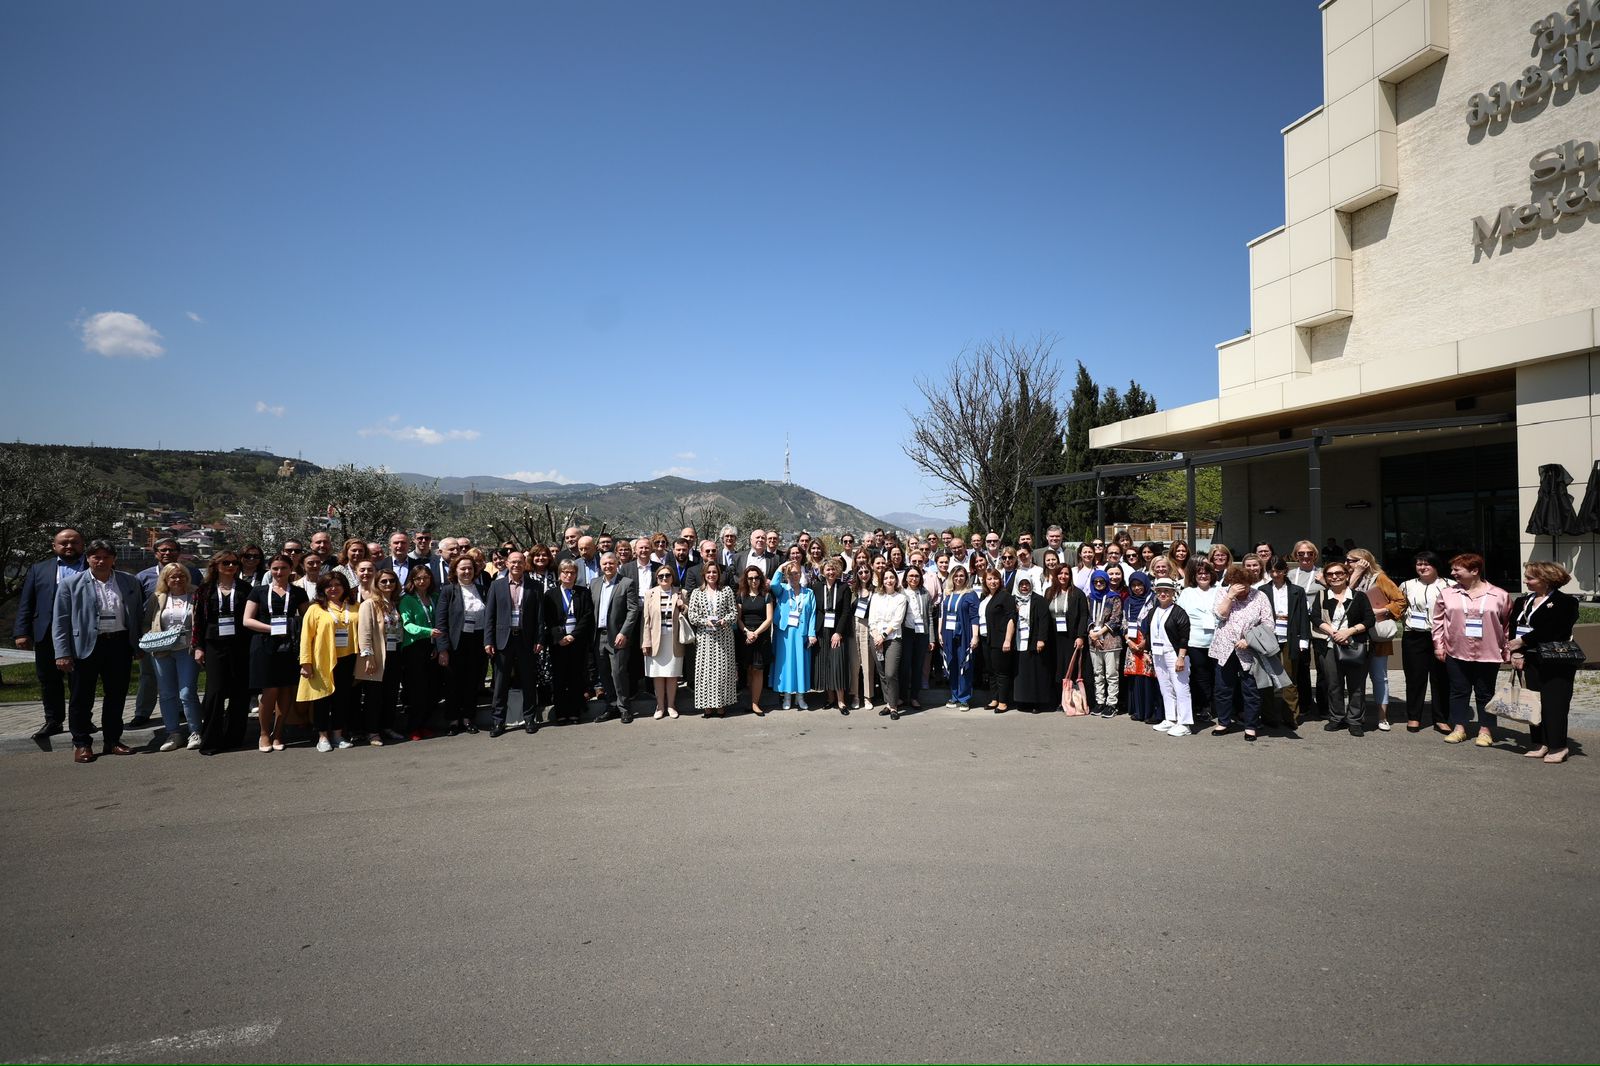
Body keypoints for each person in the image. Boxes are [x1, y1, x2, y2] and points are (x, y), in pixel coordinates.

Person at [53, 539, 145, 763]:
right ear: (88, 559)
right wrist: (62, 653)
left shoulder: (129, 581)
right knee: (81, 697)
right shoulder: (70, 584)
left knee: (116, 695)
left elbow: (137, 616)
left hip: (119, 644)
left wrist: (138, 644)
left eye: (106, 557)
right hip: (85, 646)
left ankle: (113, 740)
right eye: (96, 557)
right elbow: (60, 621)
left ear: (114, 559)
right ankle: (82, 743)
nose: (101, 561)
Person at [1432, 552, 1512, 747]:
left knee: (1485, 692)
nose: (1452, 573)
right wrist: (1438, 646)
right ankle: (1459, 728)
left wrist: (1508, 649)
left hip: (1489, 651)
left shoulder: (1499, 595)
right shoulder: (1448, 593)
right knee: (1458, 690)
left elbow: (1508, 624)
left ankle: (1485, 731)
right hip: (1456, 650)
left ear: (1474, 570)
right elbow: (1437, 622)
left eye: (1457, 570)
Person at [14, 527, 86, 743]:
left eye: (74, 542)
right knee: (49, 679)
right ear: (54, 546)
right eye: (64, 543)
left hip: (81, 633)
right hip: (46, 633)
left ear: (82, 545)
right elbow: (27, 602)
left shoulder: (92, 566)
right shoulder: (39, 569)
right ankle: (53, 720)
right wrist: (22, 632)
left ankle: (82, 719)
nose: (69, 546)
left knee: (81, 680)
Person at [1510, 561, 1580, 764]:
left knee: (1554, 703)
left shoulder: (1565, 602)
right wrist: (1517, 653)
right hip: (1531, 657)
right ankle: (1540, 743)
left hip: (1556, 659)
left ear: (1547, 579)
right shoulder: (1523, 601)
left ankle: (1558, 746)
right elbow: (1515, 627)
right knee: (1534, 701)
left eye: (1530, 577)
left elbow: (1557, 629)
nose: (1525, 581)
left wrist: (1523, 641)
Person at [243, 552, 308, 752]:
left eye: (284, 568)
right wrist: (273, 629)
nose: (279, 572)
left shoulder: (298, 593)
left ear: (291, 570)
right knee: (269, 691)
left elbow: (307, 619)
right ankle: (264, 733)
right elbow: (247, 620)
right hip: (263, 645)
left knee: (286, 690)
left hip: (289, 646)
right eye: (275, 569)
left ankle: (278, 733)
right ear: (270, 570)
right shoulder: (259, 591)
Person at [191, 551, 251, 755]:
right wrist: (198, 647)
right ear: (216, 565)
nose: (231, 566)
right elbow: (197, 621)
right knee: (215, 693)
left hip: (241, 645)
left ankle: (234, 738)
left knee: (240, 693)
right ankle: (210, 740)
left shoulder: (244, 588)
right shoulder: (205, 590)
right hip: (214, 645)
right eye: (226, 562)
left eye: (235, 563)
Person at [1310, 560, 1374, 737]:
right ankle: (1337, 717)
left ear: (1346, 575)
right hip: (1330, 646)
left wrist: (1349, 632)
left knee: (1356, 686)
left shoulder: (1359, 596)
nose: (1335, 577)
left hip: (1356, 645)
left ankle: (1354, 721)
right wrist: (1334, 633)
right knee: (1334, 684)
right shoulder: (1322, 595)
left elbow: (1369, 620)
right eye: (1330, 574)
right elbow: (1315, 617)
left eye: (1339, 573)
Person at [1346, 547, 1406, 731]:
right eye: (1347, 560)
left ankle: (1382, 717)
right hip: (1356, 634)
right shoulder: (1347, 577)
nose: (1348, 563)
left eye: (1352, 560)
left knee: (1380, 677)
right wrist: (1356, 573)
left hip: (1378, 635)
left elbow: (1400, 601)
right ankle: (1357, 716)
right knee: (1356, 678)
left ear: (1364, 561)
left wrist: (1380, 611)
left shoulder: (1379, 578)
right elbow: (1344, 597)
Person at [142, 563, 201, 752]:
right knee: (167, 693)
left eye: (181, 576)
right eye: (173, 577)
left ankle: (195, 731)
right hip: (162, 649)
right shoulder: (157, 597)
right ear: (165, 580)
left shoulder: (195, 594)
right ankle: (173, 732)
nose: (177, 580)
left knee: (187, 692)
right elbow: (148, 621)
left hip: (187, 649)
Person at [1210, 563, 1271, 741]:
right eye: (1238, 584)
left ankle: (1250, 725)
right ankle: (1223, 721)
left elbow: (1268, 623)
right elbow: (1220, 615)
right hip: (1225, 647)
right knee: (1223, 687)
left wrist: (1249, 640)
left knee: (1250, 688)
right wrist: (1230, 596)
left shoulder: (1260, 596)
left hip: (1250, 649)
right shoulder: (1223, 593)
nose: (1242, 588)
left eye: (1245, 584)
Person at [298, 571, 358, 752]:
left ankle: (338, 735)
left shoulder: (355, 606)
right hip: (322, 660)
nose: (333, 588)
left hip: (348, 659)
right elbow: (306, 637)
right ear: (322, 589)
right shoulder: (315, 608)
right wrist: (305, 663)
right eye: (329, 585)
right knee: (322, 700)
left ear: (344, 587)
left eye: (338, 585)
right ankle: (322, 736)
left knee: (342, 699)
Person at [485, 551, 542, 737]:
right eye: (513, 562)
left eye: (520, 562)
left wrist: (539, 639)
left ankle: (530, 719)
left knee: (528, 680)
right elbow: (490, 616)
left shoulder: (535, 586)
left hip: (526, 639)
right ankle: (498, 722)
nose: (516, 565)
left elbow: (540, 618)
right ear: (507, 564)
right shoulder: (496, 585)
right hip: (503, 640)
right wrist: (488, 640)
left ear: (525, 563)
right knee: (500, 683)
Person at [1399, 551, 1454, 733]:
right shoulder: (1406, 585)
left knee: (1441, 678)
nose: (1422, 567)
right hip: (1414, 636)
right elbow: (1399, 608)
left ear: (1436, 565)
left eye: (1426, 564)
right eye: (1418, 564)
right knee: (1415, 678)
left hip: (1442, 637)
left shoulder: (1450, 586)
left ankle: (1441, 718)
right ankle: (1414, 717)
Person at [436, 556, 488, 736]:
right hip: (455, 642)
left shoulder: (482, 589)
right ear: (455, 571)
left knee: (472, 682)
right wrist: (442, 648)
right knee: (453, 683)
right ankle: (453, 720)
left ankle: (468, 718)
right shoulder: (448, 590)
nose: (467, 572)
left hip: (477, 641)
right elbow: (441, 621)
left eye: (470, 569)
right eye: (463, 569)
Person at [1258, 556, 1310, 730]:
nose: (1275, 574)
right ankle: (1269, 716)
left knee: (1289, 677)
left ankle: (1291, 716)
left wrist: (1304, 639)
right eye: (1271, 571)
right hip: (1269, 637)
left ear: (1285, 571)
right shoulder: (1263, 590)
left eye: (1278, 571)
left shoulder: (1297, 591)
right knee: (1268, 678)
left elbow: (1303, 615)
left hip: (1290, 636)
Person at [354, 569, 404, 745]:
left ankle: (387, 726)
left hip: (395, 653)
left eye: (391, 581)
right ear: (377, 584)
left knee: (391, 693)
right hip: (377, 655)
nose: (388, 584)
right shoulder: (369, 604)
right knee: (374, 695)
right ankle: (372, 731)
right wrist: (368, 656)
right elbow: (364, 632)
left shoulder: (395, 603)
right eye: (384, 581)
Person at [544, 559, 596, 725]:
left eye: (572, 572)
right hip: (558, 643)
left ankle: (574, 711)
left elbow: (587, 616)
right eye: (565, 572)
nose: (568, 575)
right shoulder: (550, 595)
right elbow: (549, 619)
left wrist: (573, 635)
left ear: (576, 575)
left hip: (577, 641)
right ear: (559, 574)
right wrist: (560, 638)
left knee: (576, 676)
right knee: (559, 677)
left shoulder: (582, 592)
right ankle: (561, 712)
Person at [590, 552, 639, 724]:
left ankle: (624, 708)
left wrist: (624, 632)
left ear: (617, 563)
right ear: (600, 566)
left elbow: (633, 610)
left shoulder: (626, 583)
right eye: (604, 564)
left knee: (618, 673)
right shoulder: (594, 584)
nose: (608, 566)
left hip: (617, 636)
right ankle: (610, 707)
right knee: (604, 674)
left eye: (611, 563)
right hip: (598, 636)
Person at [687, 561, 738, 717]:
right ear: (704, 574)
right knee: (705, 672)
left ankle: (721, 705)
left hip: (724, 636)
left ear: (719, 574)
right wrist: (705, 621)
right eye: (708, 572)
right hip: (705, 637)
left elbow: (734, 612)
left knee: (723, 672)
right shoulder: (697, 592)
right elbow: (692, 615)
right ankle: (707, 706)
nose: (711, 575)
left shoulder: (727, 591)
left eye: (714, 572)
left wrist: (724, 620)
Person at [398, 566, 442, 739]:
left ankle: (424, 724)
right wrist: (427, 631)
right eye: (418, 579)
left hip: (432, 645)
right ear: (412, 580)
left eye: (425, 578)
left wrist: (437, 644)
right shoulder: (407, 600)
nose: (422, 582)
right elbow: (407, 625)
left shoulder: (435, 597)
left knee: (432, 688)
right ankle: (413, 727)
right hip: (414, 647)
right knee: (417, 689)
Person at [640, 564, 690, 719]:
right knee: (658, 675)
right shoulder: (650, 593)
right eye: (660, 576)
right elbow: (646, 620)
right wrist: (645, 641)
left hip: (674, 639)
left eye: (667, 575)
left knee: (672, 674)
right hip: (655, 639)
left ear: (672, 577)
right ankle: (660, 706)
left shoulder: (681, 592)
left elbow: (688, 614)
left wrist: (683, 606)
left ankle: (671, 705)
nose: (664, 578)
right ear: (657, 578)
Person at [1145, 578, 1193, 736]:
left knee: (1181, 688)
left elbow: (1184, 638)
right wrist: (1147, 653)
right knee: (1165, 688)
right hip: (1158, 654)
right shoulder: (1153, 611)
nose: (1163, 594)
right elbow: (1148, 634)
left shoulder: (1179, 612)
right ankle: (1170, 719)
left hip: (1175, 654)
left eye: (1167, 591)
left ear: (1173, 593)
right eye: (1159, 591)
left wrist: (1181, 657)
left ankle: (1184, 723)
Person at [768, 562, 816, 710]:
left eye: (796, 573)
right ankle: (787, 696)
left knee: (801, 664)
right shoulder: (782, 590)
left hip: (801, 633)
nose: (794, 576)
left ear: (800, 575)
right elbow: (774, 583)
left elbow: (813, 613)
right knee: (786, 664)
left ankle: (800, 696)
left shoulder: (808, 593)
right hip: (785, 633)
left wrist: (811, 633)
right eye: (791, 574)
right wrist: (781, 567)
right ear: (786, 576)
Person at [810, 560, 854, 714]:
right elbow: (813, 610)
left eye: (833, 570)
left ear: (838, 571)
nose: (830, 572)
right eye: (828, 569)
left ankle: (841, 701)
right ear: (823, 571)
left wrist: (839, 632)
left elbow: (846, 612)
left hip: (837, 632)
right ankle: (830, 699)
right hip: (821, 630)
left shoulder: (844, 588)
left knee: (837, 665)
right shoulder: (816, 587)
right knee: (825, 664)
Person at [1177, 561, 1218, 724]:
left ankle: (1218, 706)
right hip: (1195, 641)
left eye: (1206, 573)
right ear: (1194, 576)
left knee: (1218, 676)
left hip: (1217, 641)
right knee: (1201, 676)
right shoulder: (1187, 592)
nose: (1203, 575)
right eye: (1199, 573)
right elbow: (1180, 616)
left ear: (1212, 575)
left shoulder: (1220, 590)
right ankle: (1204, 707)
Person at [867, 567, 909, 718]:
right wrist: (876, 635)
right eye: (885, 578)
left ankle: (894, 706)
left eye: (891, 577)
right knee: (883, 673)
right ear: (882, 581)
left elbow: (897, 621)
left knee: (891, 673)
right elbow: (872, 619)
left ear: (896, 580)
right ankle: (888, 703)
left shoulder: (901, 598)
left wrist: (883, 635)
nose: (888, 580)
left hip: (892, 639)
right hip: (876, 638)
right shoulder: (876, 597)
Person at [1010, 575, 1054, 712]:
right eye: (1021, 584)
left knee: (1035, 672)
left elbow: (1044, 621)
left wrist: (1041, 639)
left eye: (1026, 584)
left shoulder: (1038, 600)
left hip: (1033, 641)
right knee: (1022, 673)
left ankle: (1036, 702)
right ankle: (1023, 701)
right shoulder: (1014, 601)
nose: (1024, 587)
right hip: (1018, 640)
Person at [939, 565, 980, 710]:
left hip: (964, 634)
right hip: (948, 633)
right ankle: (954, 696)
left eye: (961, 575)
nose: (958, 578)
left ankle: (964, 698)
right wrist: (940, 633)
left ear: (966, 577)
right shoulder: (948, 593)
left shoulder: (971, 594)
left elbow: (975, 617)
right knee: (951, 663)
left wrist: (975, 636)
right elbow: (942, 615)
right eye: (956, 576)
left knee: (964, 665)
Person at [978, 568, 1018, 713]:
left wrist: (1007, 640)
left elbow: (1011, 619)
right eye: (989, 579)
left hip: (1000, 639)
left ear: (1000, 580)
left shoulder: (1005, 596)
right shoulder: (985, 597)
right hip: (986, 639)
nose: (992, 582)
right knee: (991, 671)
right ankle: (994, 699)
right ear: (985, 581)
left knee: (1001, 672)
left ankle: (1003, 701)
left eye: (995, 578)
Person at [1086, 570, 1124, 718]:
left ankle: (1112, 704)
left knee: (1111, 674)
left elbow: (1116, 619)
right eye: (1096, 582)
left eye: (1102, 581)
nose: (1099, 584)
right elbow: (1087, 617)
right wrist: (1092, 634)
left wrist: (1099, 633)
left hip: (1110, 641)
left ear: (1107, 582)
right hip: (1094, 641)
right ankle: (1100, 701)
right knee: (1098, 674)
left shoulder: (1114, 598)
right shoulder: (1090, 598)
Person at [737, 566, 775, 715]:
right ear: (746, 579)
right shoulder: (741, 595)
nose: (754, 581)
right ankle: (749, 701)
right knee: (749, 671)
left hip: (761, 637)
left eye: (757, 577)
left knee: (758, 670)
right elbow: (738, 618)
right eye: (750, 578)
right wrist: (747, 632)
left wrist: (755, 633)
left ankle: (755, 703)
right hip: (745, 637)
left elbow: (769, 618)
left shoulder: (766, 595)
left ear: (761, 579)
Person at [1122, 572, 1158, 723]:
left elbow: (1156, 621)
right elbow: (1124, 621)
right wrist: (1128, 641)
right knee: (1135, 676)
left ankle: (1149, 711)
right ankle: (1137, 710)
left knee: (1147, 676)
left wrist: (1146, 642)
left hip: (1148, 642)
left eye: (1140, 585)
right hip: (1132, 642)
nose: (1137, 588)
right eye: (1134, 585)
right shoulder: (1128, 601)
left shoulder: (1153, 599)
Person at [898, 565, 934, 710]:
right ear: (906, 578)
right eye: (911, 576)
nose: (914, 578)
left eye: (916, 576)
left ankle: (914, 697)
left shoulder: (925, 594)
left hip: (922, 634)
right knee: (905, 666)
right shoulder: (900, 593)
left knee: (918, 666)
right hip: (906, 632)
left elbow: (930, 616)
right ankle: (901, 696)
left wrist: (931, 638)